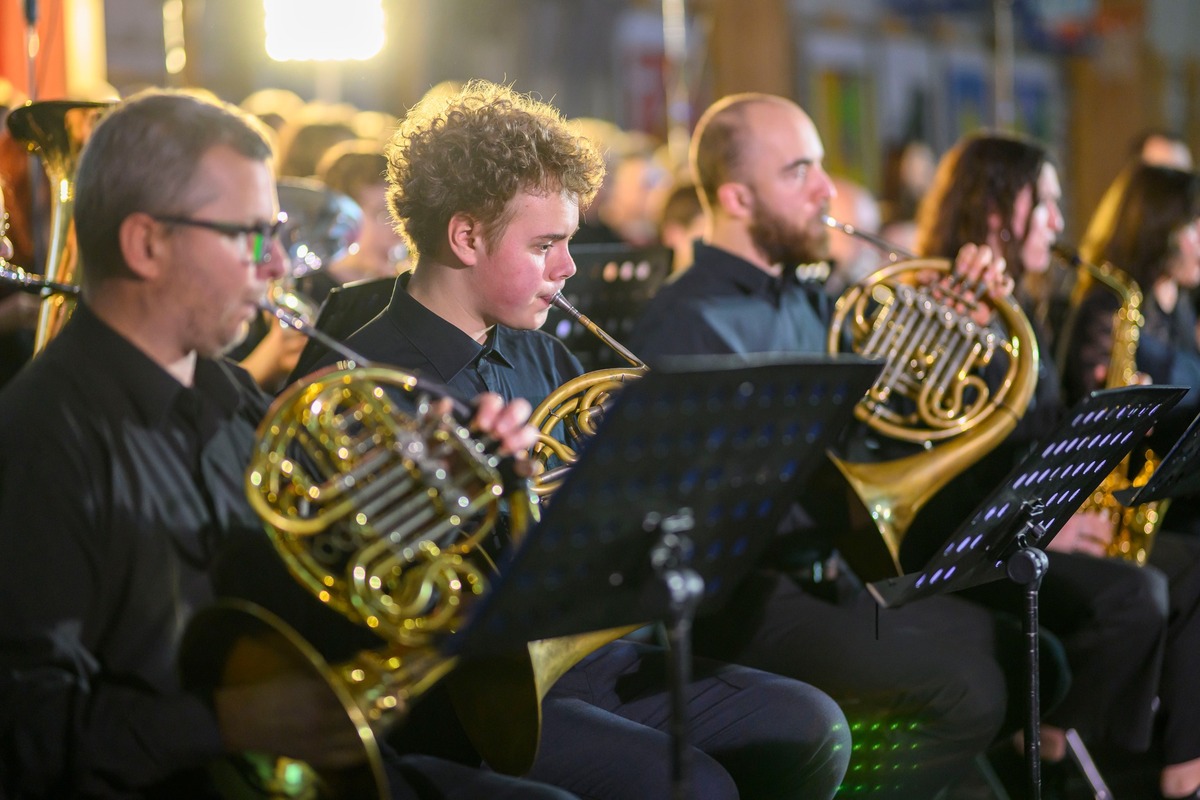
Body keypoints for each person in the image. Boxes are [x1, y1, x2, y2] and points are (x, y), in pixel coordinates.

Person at [0, 88, 579, 800]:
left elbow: (320, 579)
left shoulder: (232, 396)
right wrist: (225, 720)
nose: (278, 264)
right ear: (146, 244)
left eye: (276, 232)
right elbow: (23, 733)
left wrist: (447, 491)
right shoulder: (41, 439)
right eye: (250, 235)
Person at [301, 79, 852, 800]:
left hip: (586, 657)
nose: (567, 268)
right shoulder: (363, 386)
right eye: (546, 245)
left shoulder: (545, 356)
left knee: (811, 727)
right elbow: (368, 592)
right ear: (466, 237)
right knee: (693, 787)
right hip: (468, 691)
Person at [625, 92, 1017, 799]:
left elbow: (874, 432)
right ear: (738, 197)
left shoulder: (811, 298)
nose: (826, 190)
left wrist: (954, 324)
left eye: (821, 166)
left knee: (1020, 645)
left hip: (830, 571)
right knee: (967, 691)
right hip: (748, 600)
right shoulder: (685, 323)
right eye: (799, 170)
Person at [907, 131, 1180, 793]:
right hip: (973, 541)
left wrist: (1111, 420)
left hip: (1030, 517)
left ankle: (1100, 748)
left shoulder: (1018, 305)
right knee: (1137, 596)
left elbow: (1038, 434)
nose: (1059, 223)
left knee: (1176, 572)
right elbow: (951, 473)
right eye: (1046, 203)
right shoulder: (945, 305)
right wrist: (1048, 524)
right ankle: (1052, 747)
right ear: (997, 209)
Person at [1062, 161, 1200, 800]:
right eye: (1194, 223)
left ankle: (1185, 761)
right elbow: (1085, 411)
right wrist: (1127, 409)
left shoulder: (1183, 304)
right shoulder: (1112, 306)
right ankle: (1174, 764)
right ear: (1162, 227)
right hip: (1110, 504)